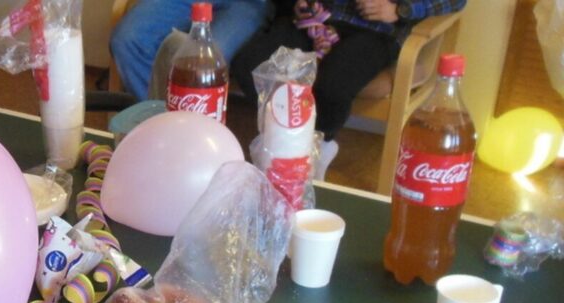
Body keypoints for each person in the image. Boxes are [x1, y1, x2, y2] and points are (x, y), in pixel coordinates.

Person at [231, 0, 466, 178]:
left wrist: (401, 9)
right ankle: (287, 142)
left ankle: (319, 146)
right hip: (314, 19)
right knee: (250, 66)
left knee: (332, 86)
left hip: (375, 31)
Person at [111, 0, 273, 100]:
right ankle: (159, 121)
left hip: (247, 3)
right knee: (127, 41)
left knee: (205, 62)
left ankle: (192, 131)